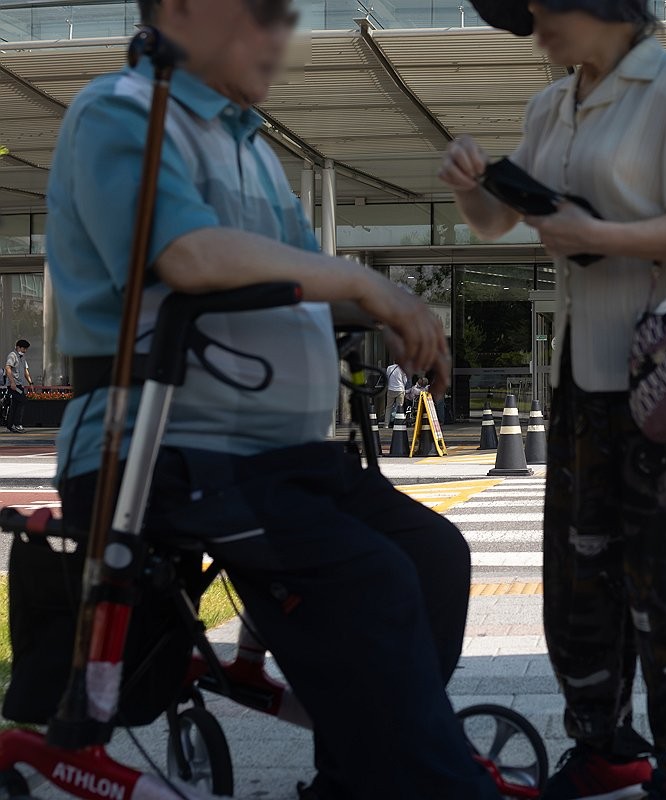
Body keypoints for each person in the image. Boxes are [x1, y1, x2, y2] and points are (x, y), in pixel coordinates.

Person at [43, 2, 499, 798]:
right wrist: (369, 285)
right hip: (167, 450)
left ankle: (366, 767)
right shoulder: (121, 113)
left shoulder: (248, 145)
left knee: (434, 560)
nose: (280, 32)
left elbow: (298, 276)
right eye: (261, 13)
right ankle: (414, 774)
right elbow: (185, 254)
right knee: (374, 581)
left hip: (277, 457)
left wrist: (394, 316)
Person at [440, 0, 666, 796]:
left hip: (664, 381)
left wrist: (600, 237)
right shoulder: (551, 104)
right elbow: (496, 222)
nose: (532, 25)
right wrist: (474, 183)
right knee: (581, 574)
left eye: (544, 7)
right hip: (581, 376)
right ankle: (605, 743)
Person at [4, 339, 32, 433]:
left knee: (15, 404)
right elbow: (8, 368)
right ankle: (17, 424)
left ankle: (10, 425)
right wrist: (12, 382)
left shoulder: (22, 357)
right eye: (23, 348)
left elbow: (25, 370)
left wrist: (30, 382)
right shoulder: (12, 355)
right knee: (22, 401)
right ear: (18, 347)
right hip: (14, 386)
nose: (25, 350)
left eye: (26, 349)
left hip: (19, 385)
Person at [383, 358, 408, 423]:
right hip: (400, 390)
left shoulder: (389, 368)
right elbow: (405, 381)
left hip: (390, 389)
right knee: (399, 407)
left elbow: (387, 377)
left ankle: (386, 424)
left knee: (388, 407)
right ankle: (397, 423)